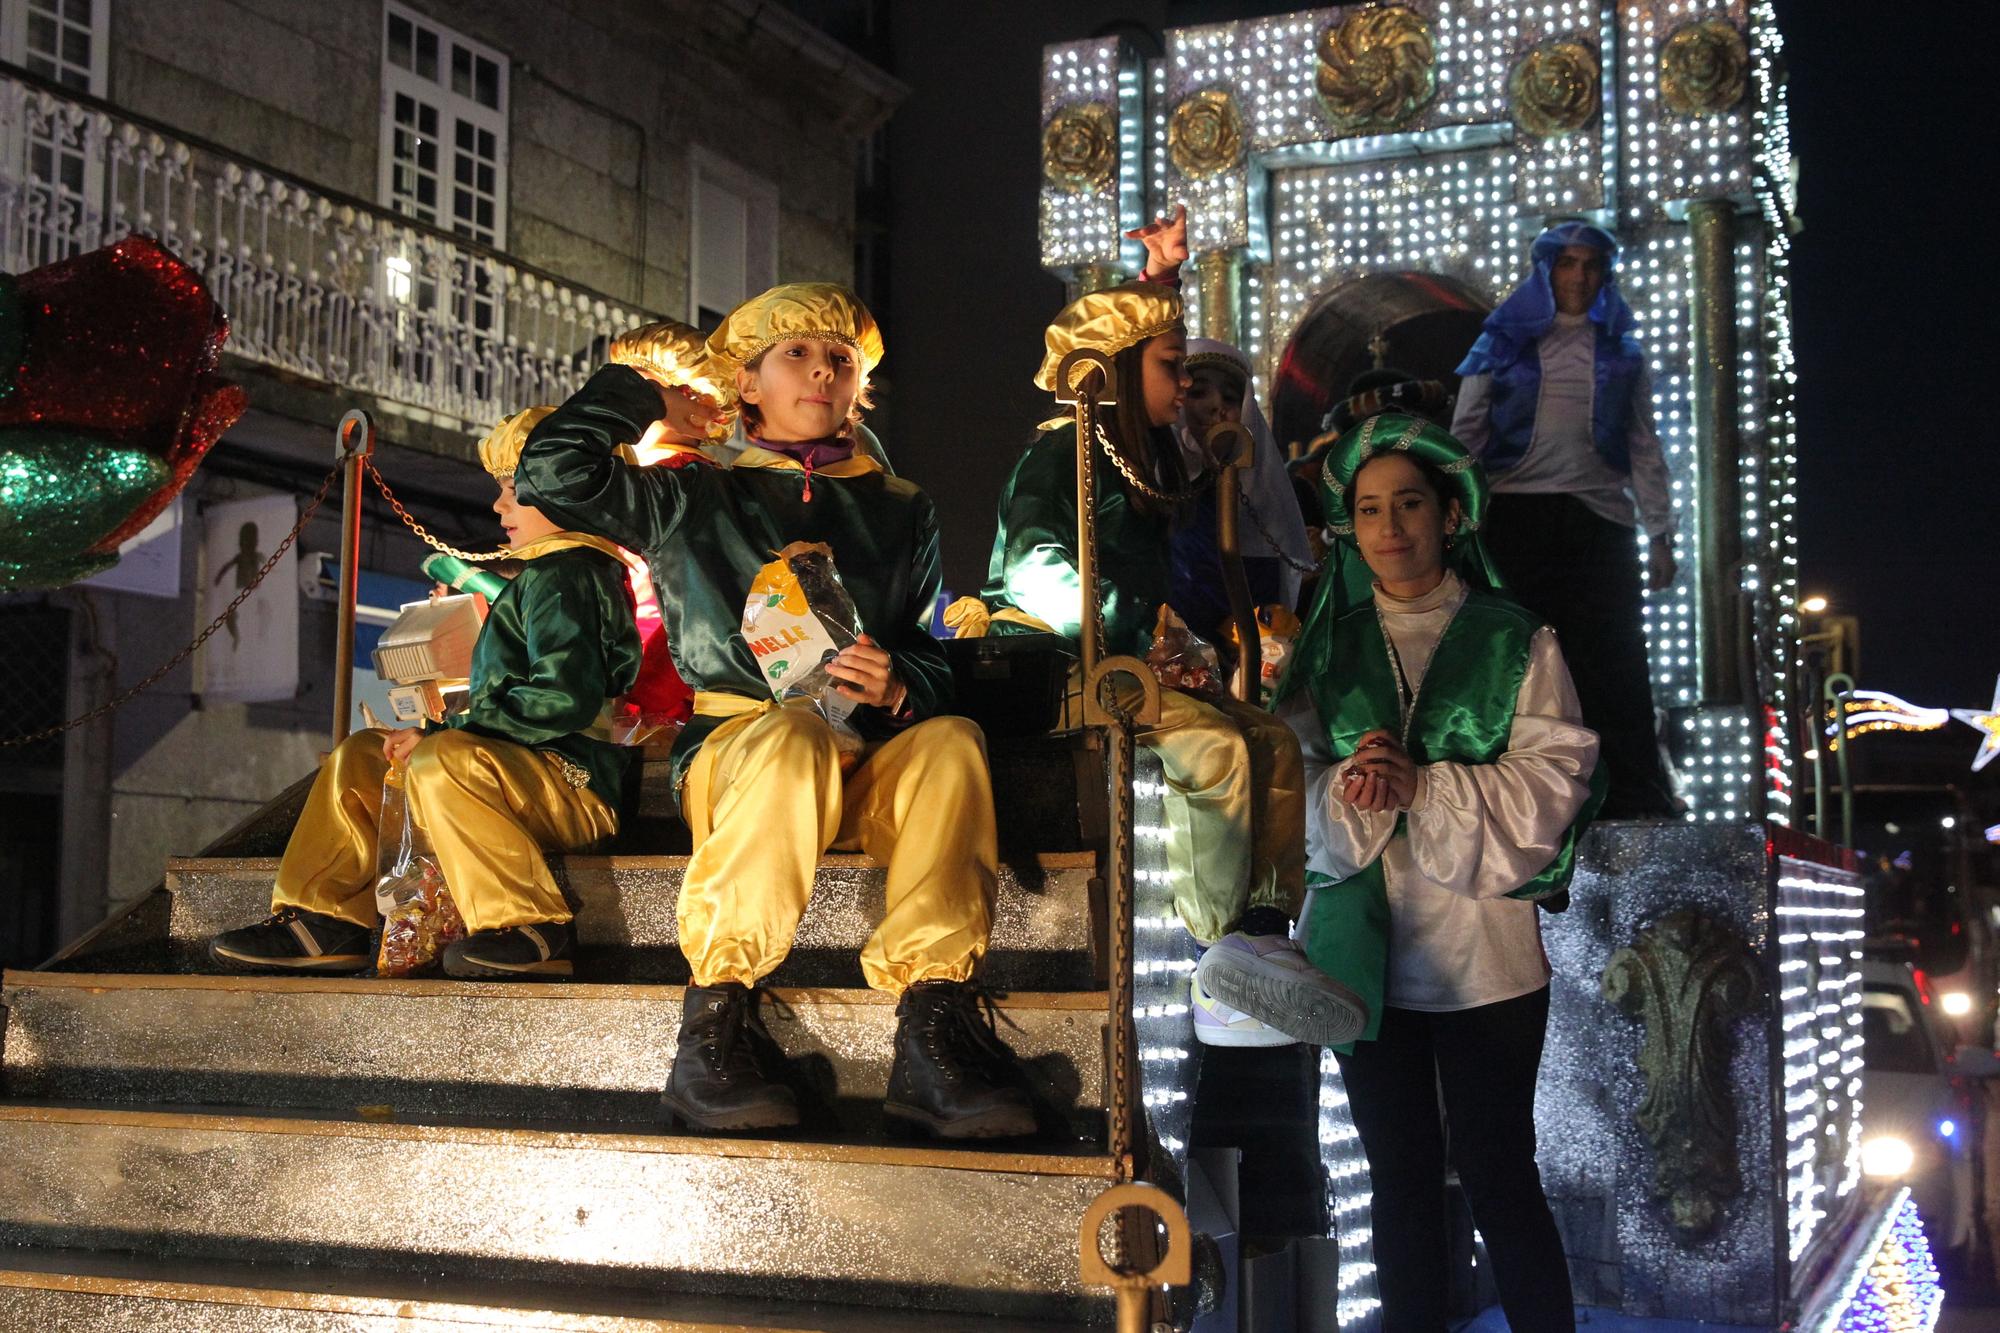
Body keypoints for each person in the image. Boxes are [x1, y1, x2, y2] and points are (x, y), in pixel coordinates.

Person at [516, 283, 1034, 1139]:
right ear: (746, 383)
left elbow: (929, 652)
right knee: (792, 732)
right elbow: (552, 472)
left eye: (840, 357)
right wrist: (646, 398)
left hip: (859, 753)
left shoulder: (903, 507)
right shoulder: (693, 491)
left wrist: (902, 681)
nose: (823, 369)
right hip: (736, 749)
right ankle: (716, 1019)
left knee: (950, 741)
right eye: (796, 352)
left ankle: (934, 1023)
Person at [1273, 411, 1602, 1332]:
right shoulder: (1326, 647)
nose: (1389, 526)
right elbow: (1284, 778)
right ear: (1350, 527)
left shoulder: (1515, 636)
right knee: (1399, 1183)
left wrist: (1427, 784)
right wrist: (1349, 784)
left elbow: (1557, 772)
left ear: (1449, 514)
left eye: (1408, 502)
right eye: (1369, 508)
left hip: (1487, 955)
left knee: (1501, 1173)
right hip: (1368, 956)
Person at [974, 279, 1363, 1050]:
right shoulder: (1064, 451)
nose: (1184, 384)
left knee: (1272, 739)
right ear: (1116, 368)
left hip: (1120, 662)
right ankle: (1218, 952)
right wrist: (1119, 627)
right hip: (1060, 665)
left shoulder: (1141, 460)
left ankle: (1263, 929)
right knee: (1214, 749)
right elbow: (1032, 570)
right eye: (1169, 365)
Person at [210, 410, 643, 978]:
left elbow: (561, 700)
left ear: (572, 493)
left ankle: (531, 926)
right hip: (517, 770)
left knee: (441, 759)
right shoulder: (543, 577)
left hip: (573, 784)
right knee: (362, 755)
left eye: (514, 489)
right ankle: (324, 918)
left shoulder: (573, 576)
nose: (499, 506)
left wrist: (443, 733)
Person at [1450, 219, 1679, 817]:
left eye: (1591, 265)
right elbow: (1467, 431)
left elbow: (1642, 442)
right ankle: (1505, 791)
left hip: (1598, 517)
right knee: (1515, 656)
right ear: (1546, 269)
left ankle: (1629, 792)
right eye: (1567, 263)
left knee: (1614, 659)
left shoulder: (1621, 351)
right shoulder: (1503, 339)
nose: (1579, 276)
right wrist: (1459, 512)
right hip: (1515, 516)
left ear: (1604, 275)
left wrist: (1661, 532)